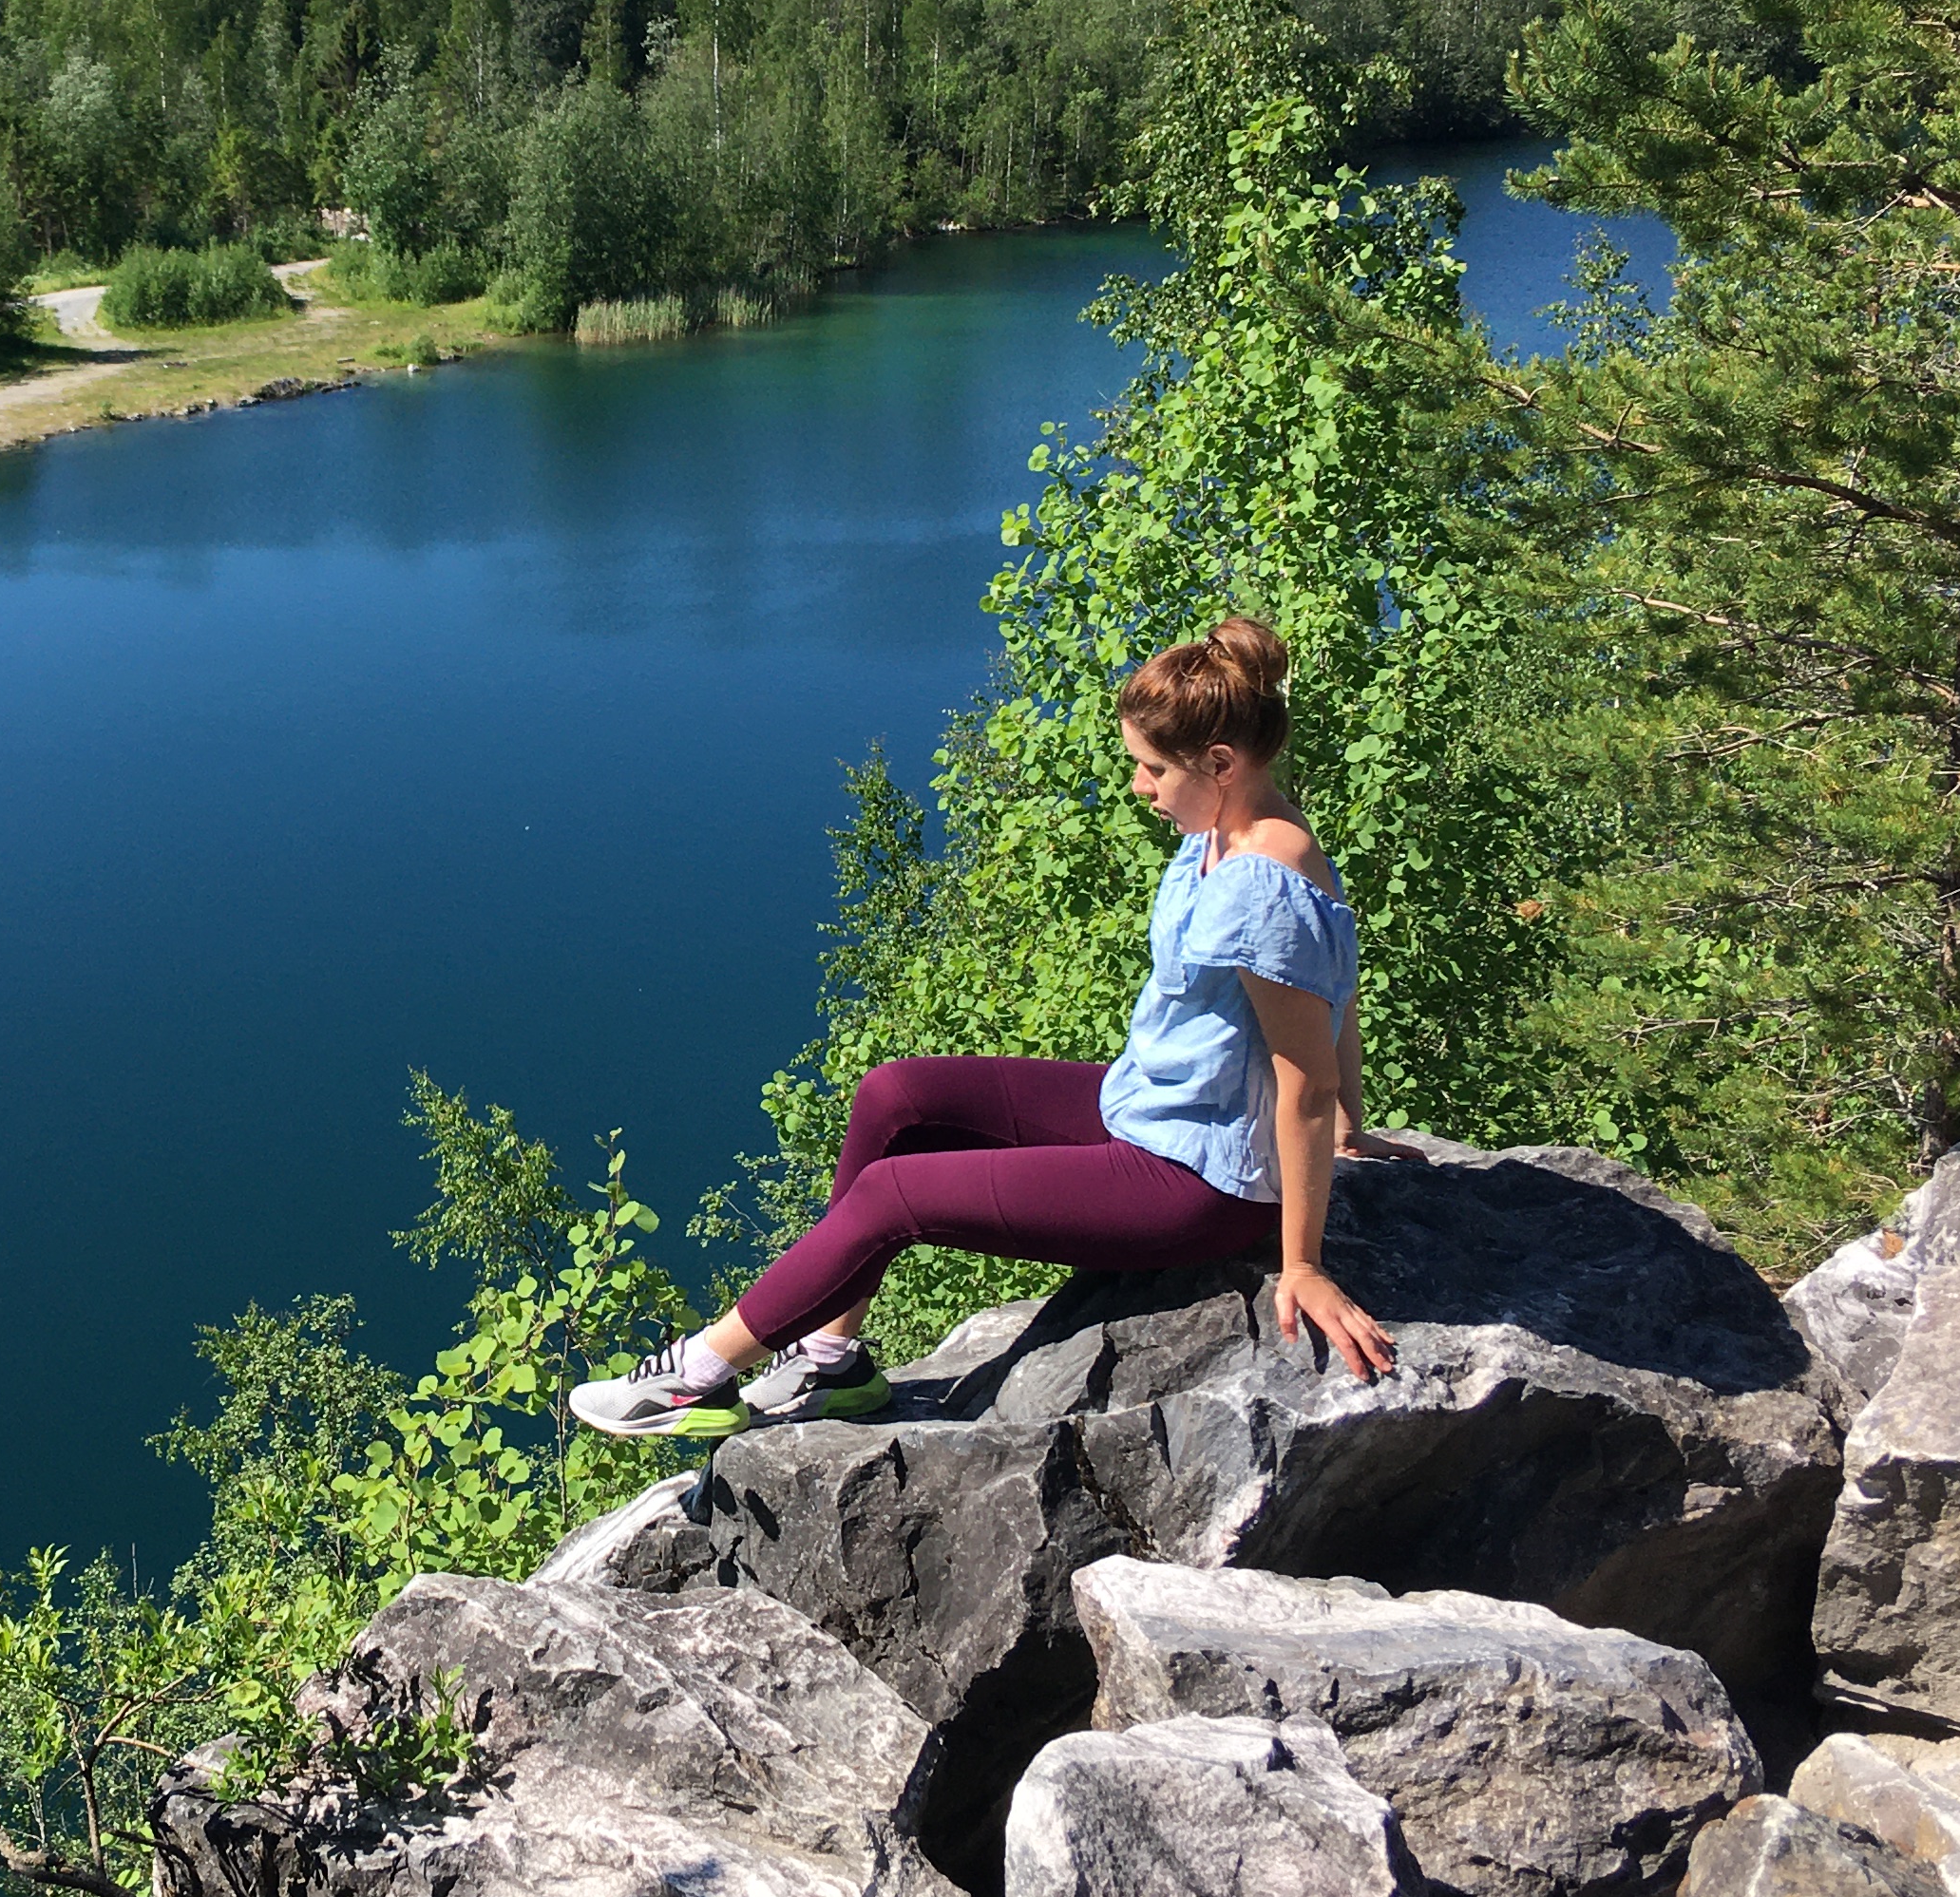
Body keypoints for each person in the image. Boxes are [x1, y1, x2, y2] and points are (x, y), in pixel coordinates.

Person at [572, 616, 1419, 1444]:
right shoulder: (1247, 823)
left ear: (1221, 763)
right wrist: (1354, 1126)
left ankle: (697, 1375)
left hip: (1202, 1181)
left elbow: (1301, 1076)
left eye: (1153, 770)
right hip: (1155, 1105)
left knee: (891, 1199)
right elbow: (1331, 984)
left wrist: (1302, 1260)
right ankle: (831, 1357)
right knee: (897, 1095)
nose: (1140, 788)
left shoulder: (1261, 883)